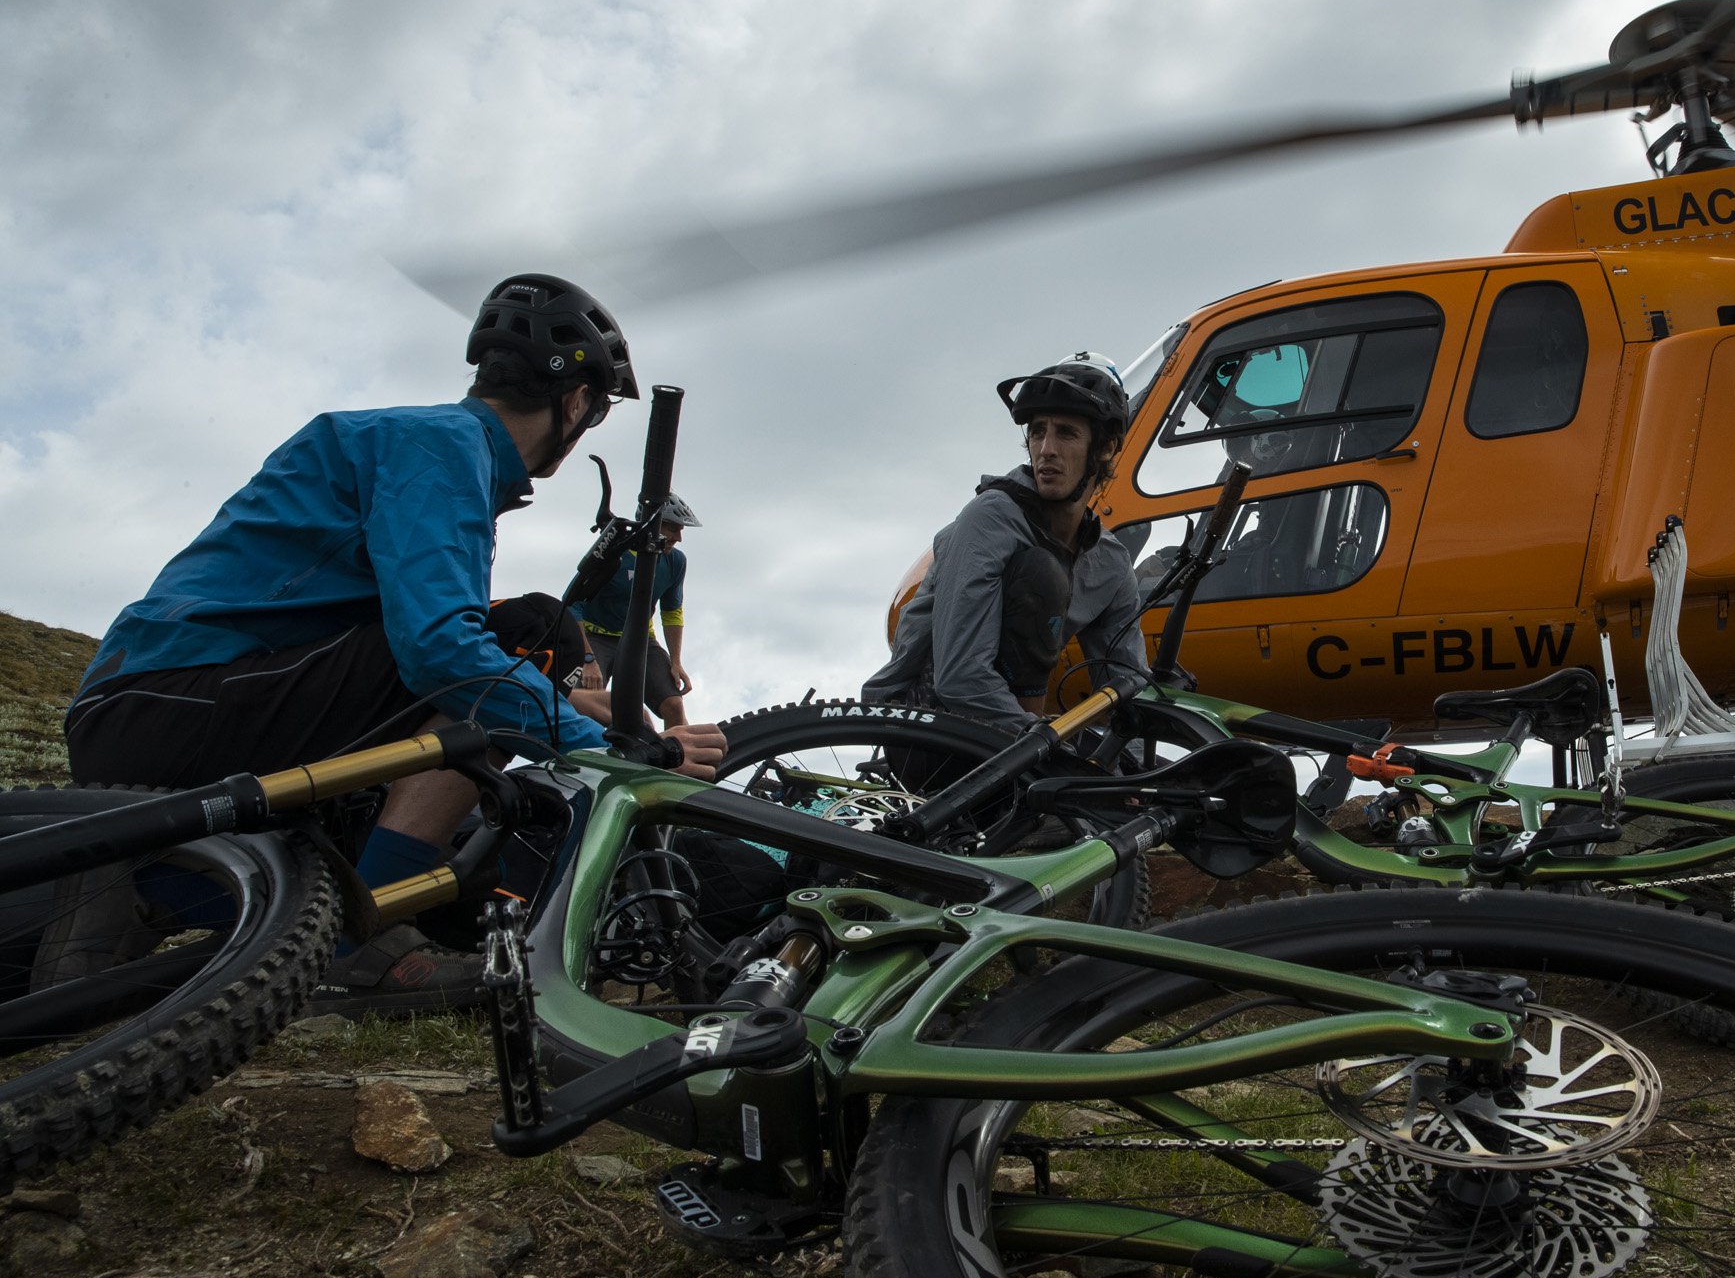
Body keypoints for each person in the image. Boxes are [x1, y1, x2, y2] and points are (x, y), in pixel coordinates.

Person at [63, 274, 728, 1012]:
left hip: (155, 706)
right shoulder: (443, 446)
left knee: (506, 657)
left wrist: (586, 711)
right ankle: (360, 940)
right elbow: (442, 647)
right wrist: (588, 744)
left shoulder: (420, 443)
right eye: (593, 412)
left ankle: (156, 887)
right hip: (170, 703)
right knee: (525, 632)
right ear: (575, 402)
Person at [864, 352, 1149, 727]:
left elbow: (1127, 685)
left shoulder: (1108, 561)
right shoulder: (991, 518)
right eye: (1037, 431)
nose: (1046, 449)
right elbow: (960, 679)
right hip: (925, 722)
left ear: (1106, 448)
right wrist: (1043, 743)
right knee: (1041, 572)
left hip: (1011, 730)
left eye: (1066, 433)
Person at [579, 491, 698, 727]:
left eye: (681, 529)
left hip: (639, 638)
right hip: (594, 637)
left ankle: (677, 761)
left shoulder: (675, 561)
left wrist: (676, 661)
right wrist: (587, 658)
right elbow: (572, 606)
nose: (679, 537)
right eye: (673, 528)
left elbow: (672, 612)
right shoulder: (613, 552)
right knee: (589, 704)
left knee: (674, 705)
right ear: (652, 524)